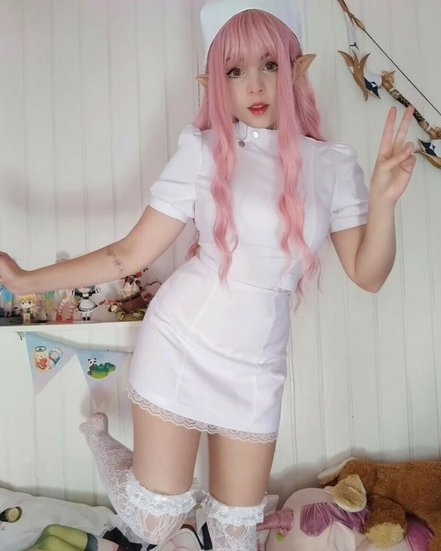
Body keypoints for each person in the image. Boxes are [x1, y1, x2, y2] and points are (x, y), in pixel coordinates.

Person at [0, 1, 417, 549]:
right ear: (215, 84)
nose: (254, 85)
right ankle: (101, 442)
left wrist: (384, 201)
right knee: (152, 525)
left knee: (235, 534)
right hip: (182, 340)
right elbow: (128, 253)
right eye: (234, 70)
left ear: (296, 68)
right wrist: (26, 280)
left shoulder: (333, 164)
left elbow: (368, 274)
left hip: (258, 366)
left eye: (270, 64)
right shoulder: (203, 152)